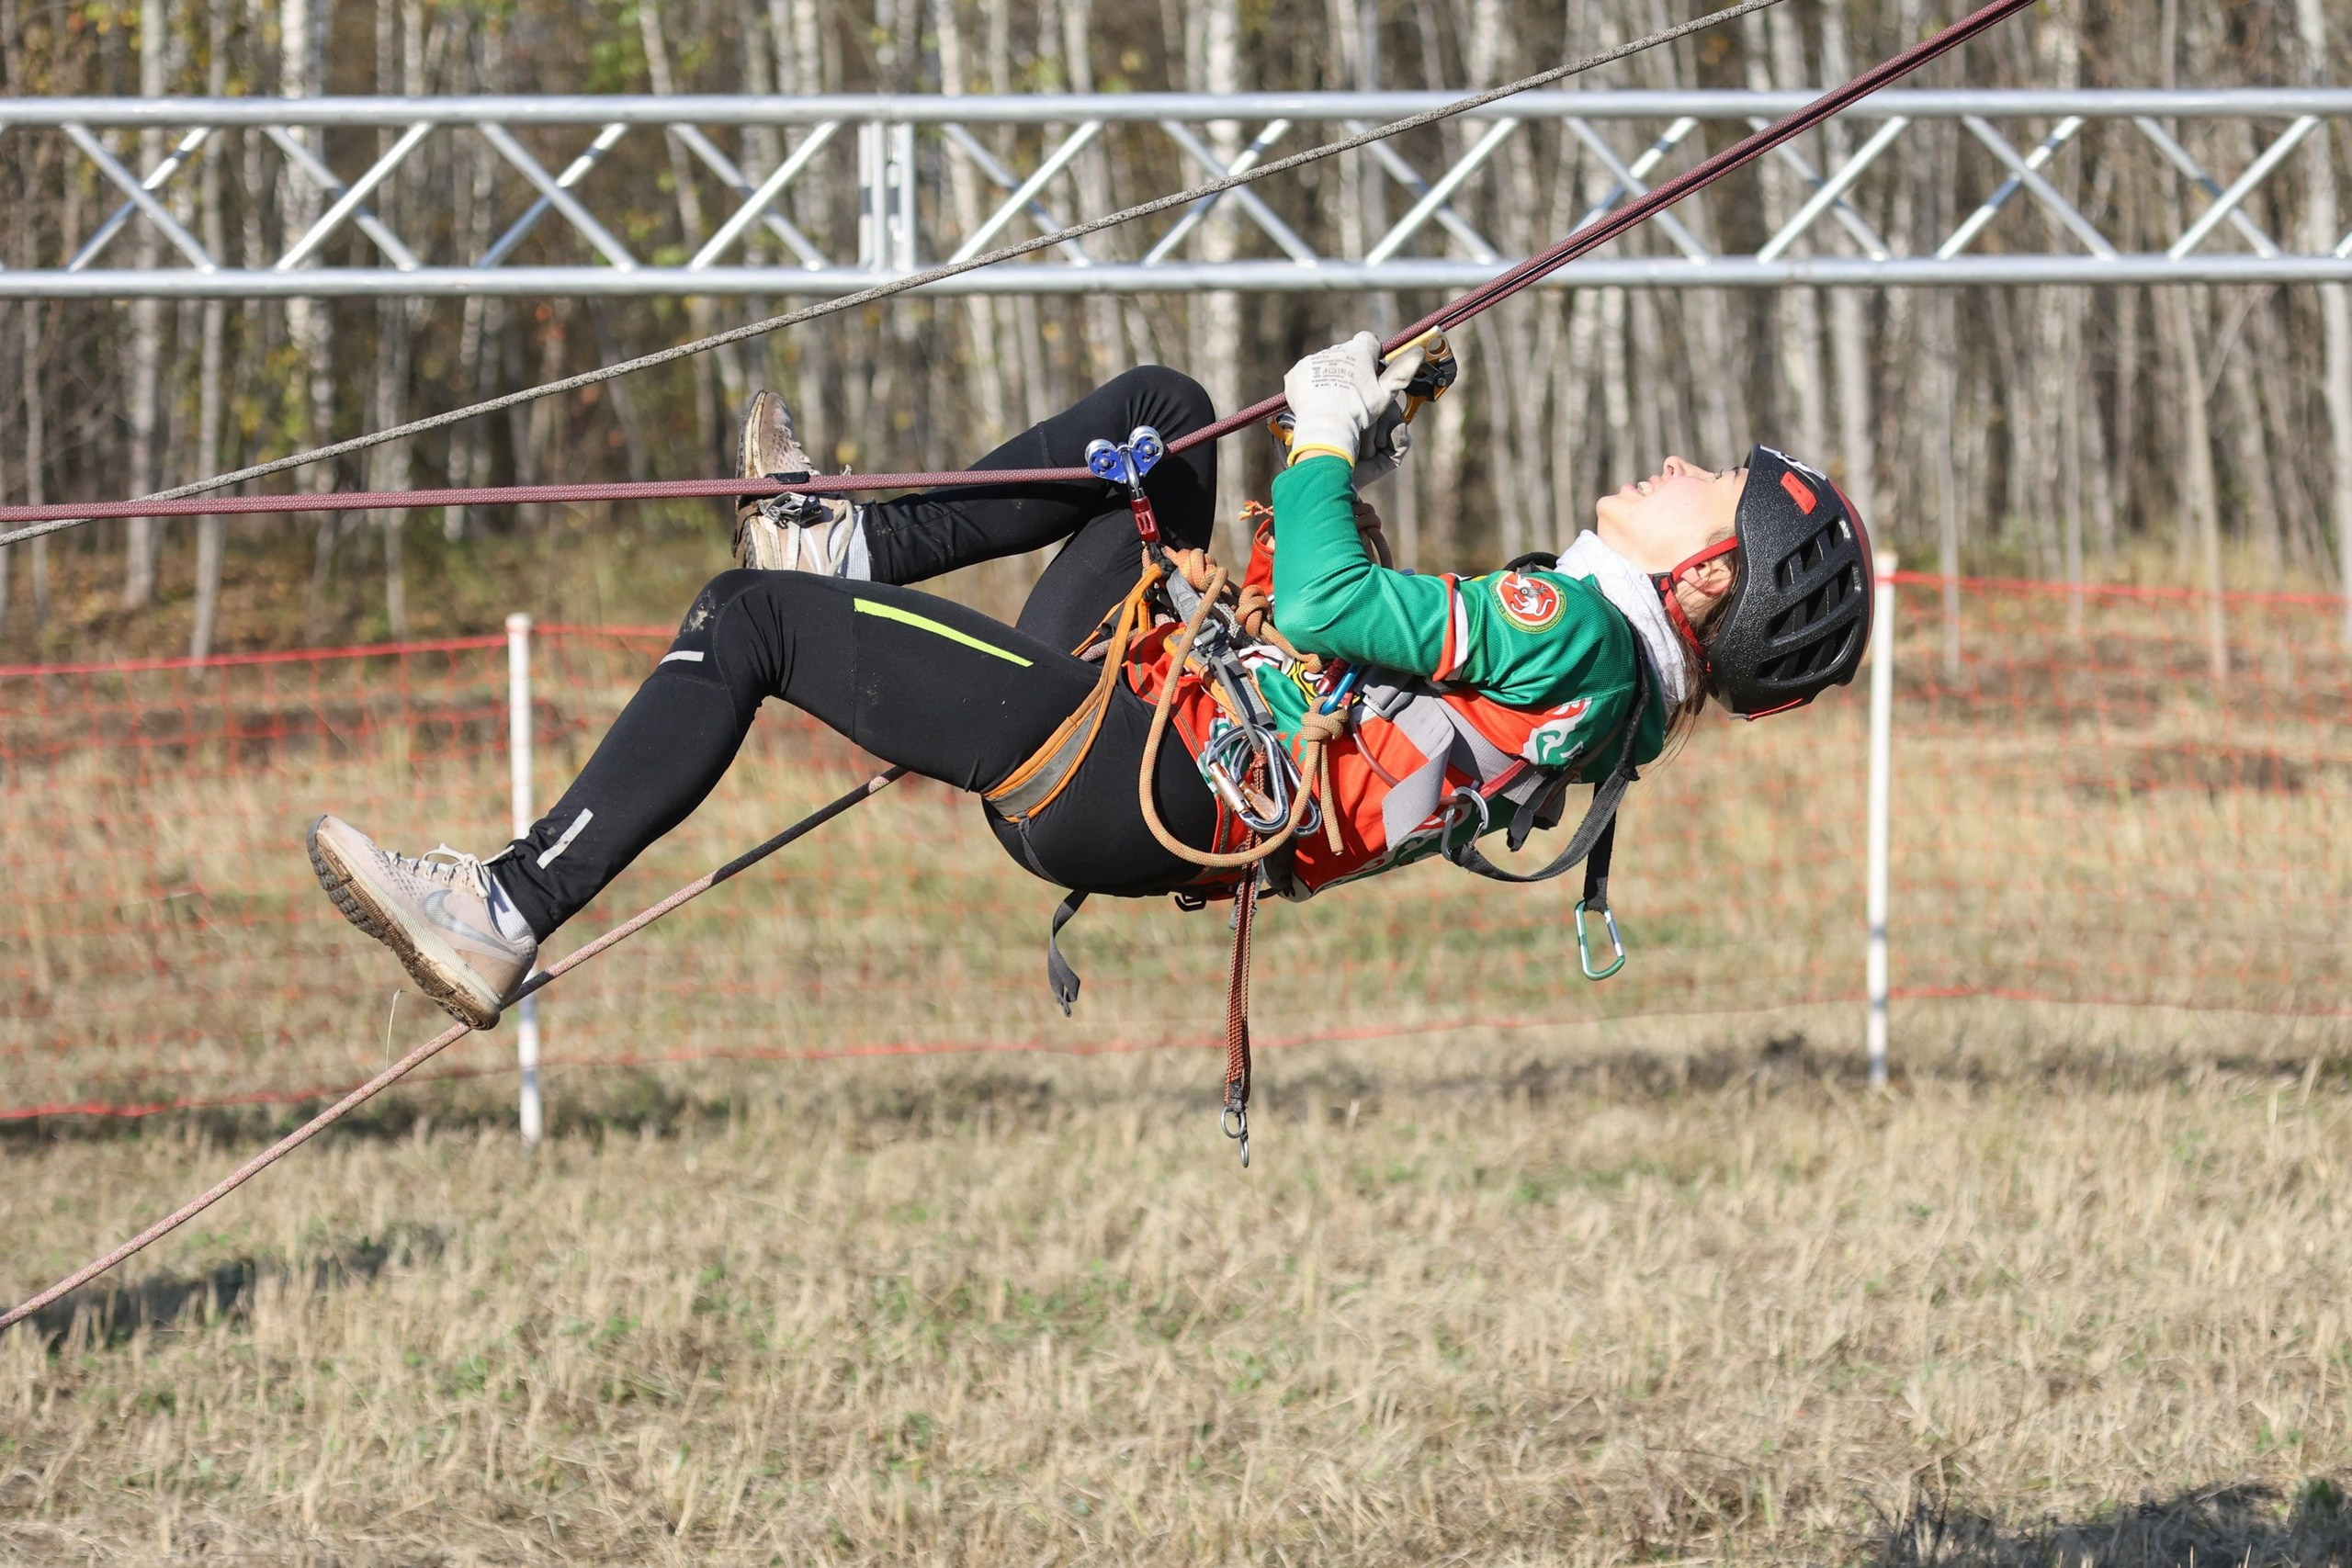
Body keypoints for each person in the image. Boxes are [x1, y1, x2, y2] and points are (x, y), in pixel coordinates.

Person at [307, 333, 1871, 1030]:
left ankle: (501, 910)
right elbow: (1331, 639)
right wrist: (1337, 469)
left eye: (1703, 486)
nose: (1673, 468)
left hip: (1144, 771)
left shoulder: (1583, 633)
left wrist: (1324, 436)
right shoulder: (1601, 671)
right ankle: (842, 542)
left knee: (749, 620)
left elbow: (1324, 597)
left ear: (1710, 577)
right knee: (1166, 416)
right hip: (1182, 757)